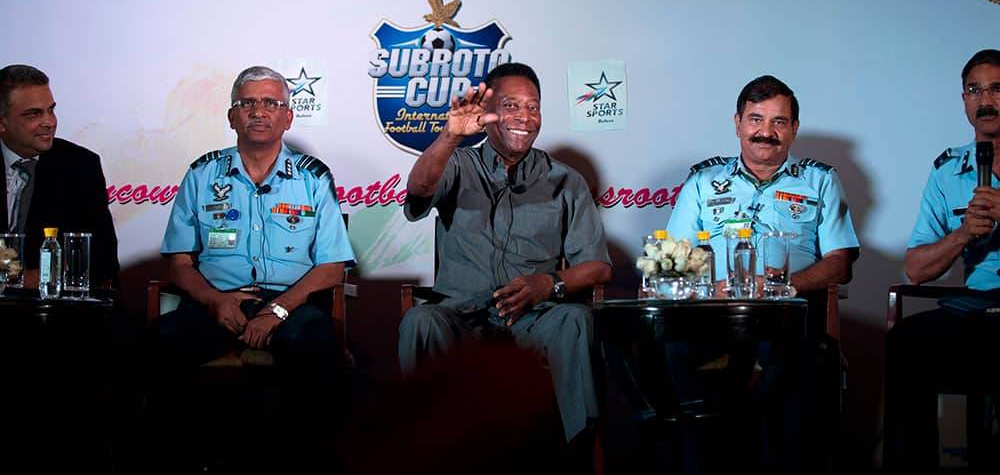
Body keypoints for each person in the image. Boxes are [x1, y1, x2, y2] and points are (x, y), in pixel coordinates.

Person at [399, 62, 613, 457]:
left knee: (577, 319)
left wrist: (550, 283)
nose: (525, 117)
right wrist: (449, 136)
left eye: (533, 107)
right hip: (462, 317)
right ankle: (427, 453)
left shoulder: (565, 180)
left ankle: (580, 452)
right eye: (511, 106)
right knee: (420, 320)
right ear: (488, 112)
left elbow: (598, 265)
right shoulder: (457, 165)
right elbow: (419, 188)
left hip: (535, 319)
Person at [156, 65, 354, 470]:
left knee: (318, 350)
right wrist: (214, 301)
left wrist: (277, 310)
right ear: (232, 116)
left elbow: (333, 266)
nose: (259, 111)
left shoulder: (313, 177)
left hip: (291, 306)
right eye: (248, 103)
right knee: (158, 344)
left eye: (271, 103)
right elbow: (179, 263)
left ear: (287, 116)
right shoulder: (201, 173)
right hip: (217, 303)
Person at [665, 74, 860, 473]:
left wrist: (783, 287)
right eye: (756, 120)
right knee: (668, 350)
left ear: (794, 129)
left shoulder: (820, 180)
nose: (765, 132)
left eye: (778, 122)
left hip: (787, 317)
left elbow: (840, 263)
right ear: (737, 123)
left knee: (793, 364)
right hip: (714, 316)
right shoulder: (703, 181)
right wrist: (708, 287)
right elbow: (675, 262)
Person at [883, 49, 1000, 475]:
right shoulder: (948, 170)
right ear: (965, 101)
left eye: (996, 88)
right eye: (974, 90)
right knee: (907, 343)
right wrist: (964, 234)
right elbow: (916, 268)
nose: (985, 99)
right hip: (978, 310)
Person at [0, 64, 120, 288]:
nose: (49, 122)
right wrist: (15, 275)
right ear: (2, 122)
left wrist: (43, 277)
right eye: (33, 114)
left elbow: (103, 259)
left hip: (52, 308)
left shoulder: (80, 166)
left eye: (51, 110)